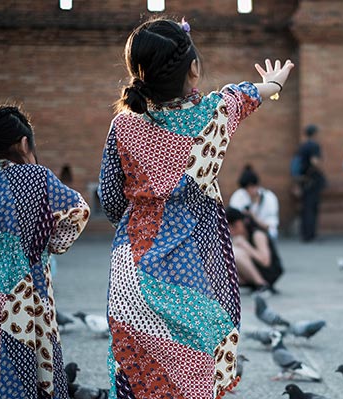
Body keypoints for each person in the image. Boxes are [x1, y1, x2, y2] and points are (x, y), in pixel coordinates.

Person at [97, 18, 293, 397]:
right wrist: (275, 84)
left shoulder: (123, 125)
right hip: (190, 274)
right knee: (191, 379)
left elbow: (111, 198)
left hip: (128, 277)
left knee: (136, 378)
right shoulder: (213, 115)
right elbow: (244, 95)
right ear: (194, 69)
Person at [0, 104, 89, 398]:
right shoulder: (36, 178)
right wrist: (53, 243)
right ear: (23, 143)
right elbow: (78, 211)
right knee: (31, 378)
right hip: (25, 298)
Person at [226, 207, 283, 294]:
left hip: (269, 272)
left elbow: (265, 261)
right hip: (253, 272)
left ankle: (262, 284)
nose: (231, 232)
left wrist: (246, 246)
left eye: (231, 228)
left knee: (235, 252)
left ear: (238, 224)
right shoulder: (240, 236)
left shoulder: (257, 234)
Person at [229, 165, 280, 239]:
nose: (247, 192)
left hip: (266, 234)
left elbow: (270, 226)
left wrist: (253, 217)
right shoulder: (239, 195)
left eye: (249, 188)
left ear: (255, 186)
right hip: (244, 234)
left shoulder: (269, 198)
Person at [296, 124, 325, 242]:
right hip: (312, 180)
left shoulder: (302, 146)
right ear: (314, 134)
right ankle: (310, 234)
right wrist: (321, 170)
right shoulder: (314, 146)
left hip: (303, 180)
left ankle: (305, 234)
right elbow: (314, 161)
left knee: (306, 207)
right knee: (312, 207)